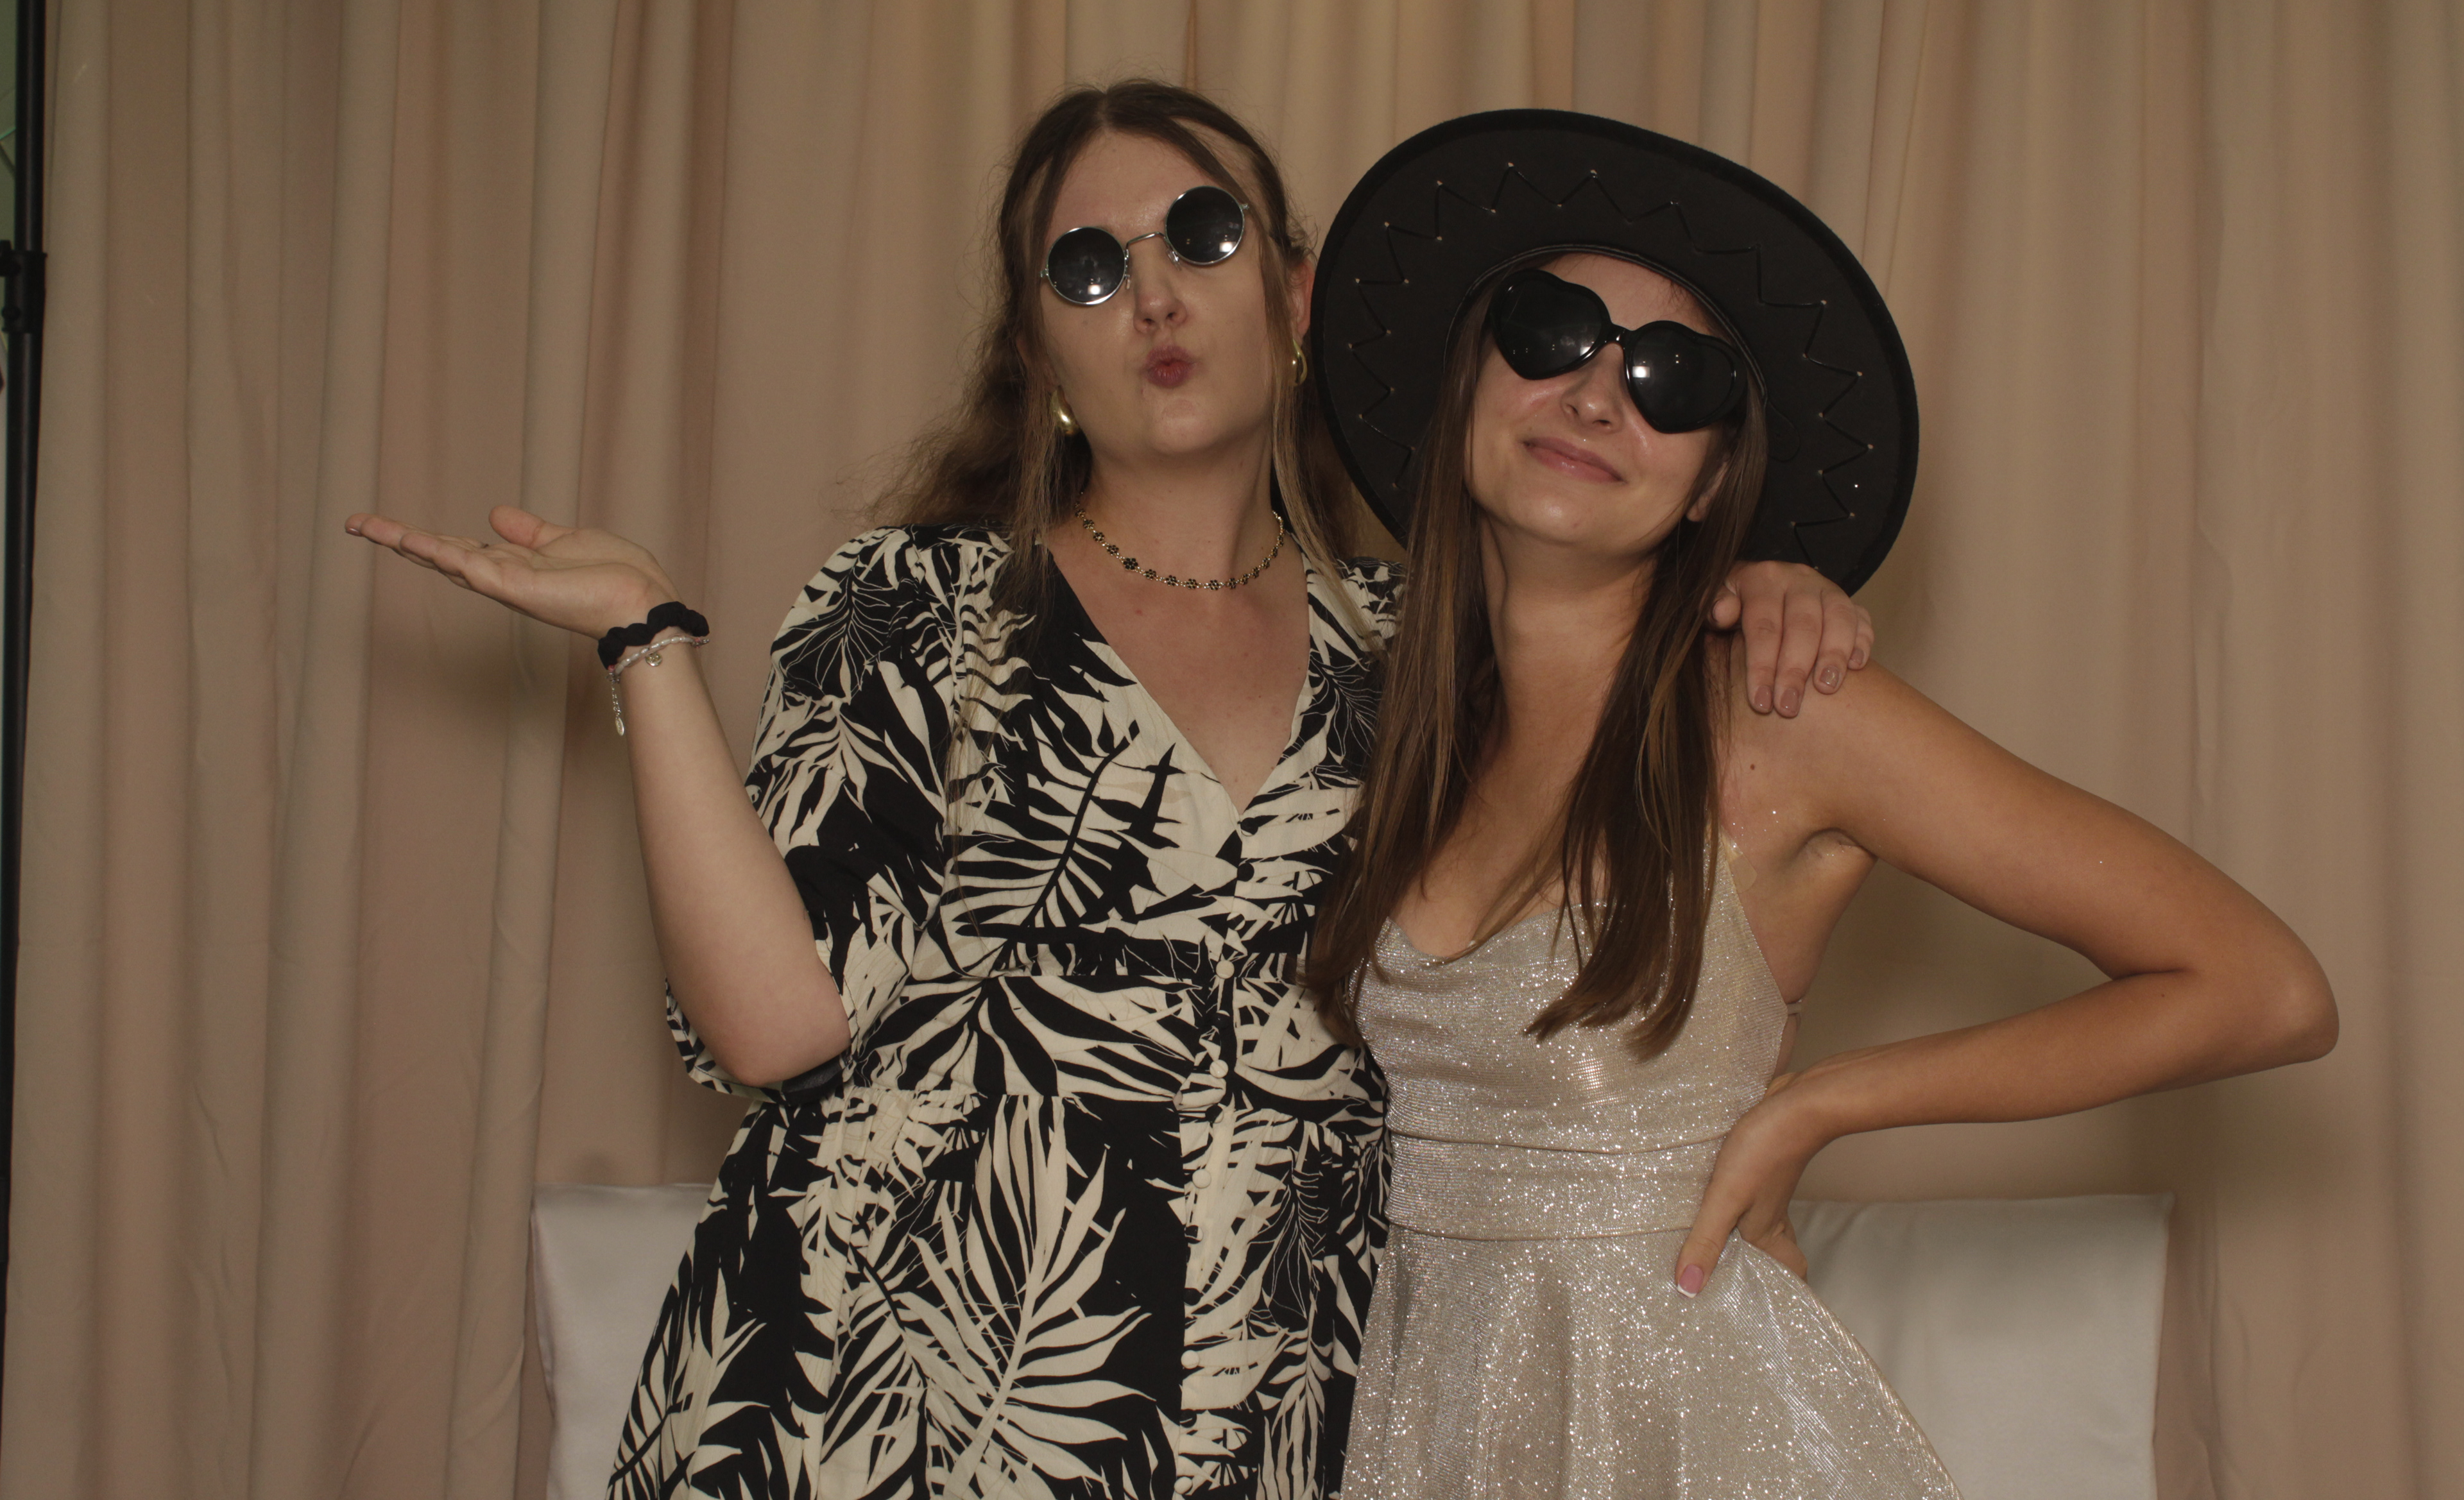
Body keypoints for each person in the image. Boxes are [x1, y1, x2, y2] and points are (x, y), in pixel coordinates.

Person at [345, 84, 1870, 1498]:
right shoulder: (913, 604)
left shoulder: (1428, 659)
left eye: (1201, 235)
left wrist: (1762, 586)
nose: (1152, 293)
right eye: (1088, 266)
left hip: (1257, 1421)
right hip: (863, 1404)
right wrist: (647, 643)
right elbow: (773, 1025)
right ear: (1037, 349)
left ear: (1295, 293)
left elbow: (1618, 818)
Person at [1304, 110, 2338, 1498]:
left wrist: (1819, 1105)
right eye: (1552, 331)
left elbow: (2264, 988)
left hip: (1697, 1443)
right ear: (1464, 384)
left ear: (1712, 485)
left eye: (1674, 378)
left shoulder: (1778, 713)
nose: (1599, 394)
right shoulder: (1399, 728)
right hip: (1433, 1431)